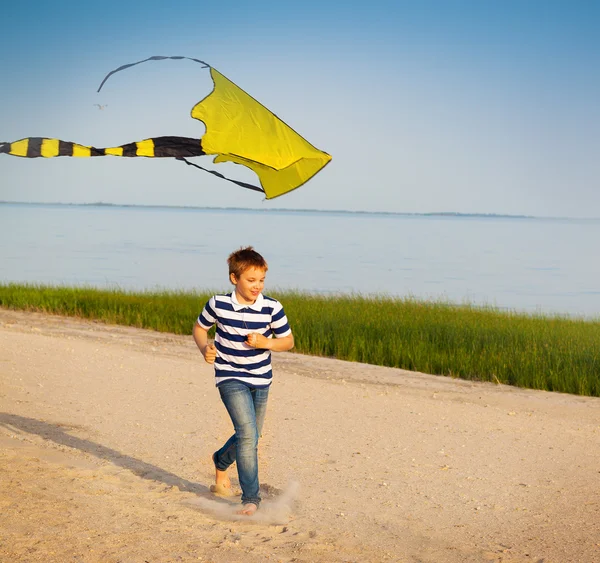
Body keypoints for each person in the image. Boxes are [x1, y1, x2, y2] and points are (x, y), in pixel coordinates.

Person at [192, 246, 294, 516]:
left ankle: (220, 460)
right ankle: (251, 498)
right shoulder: (218, 304)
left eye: (261, 280)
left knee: (252, 435)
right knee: (248, 436)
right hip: (229, 376)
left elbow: (288, 341)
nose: (257, 286)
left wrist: (266, 342)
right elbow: (200, 328)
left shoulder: (272, 307)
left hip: (261, 379)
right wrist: (205, 349)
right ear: (234, 279)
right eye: (251, 280)